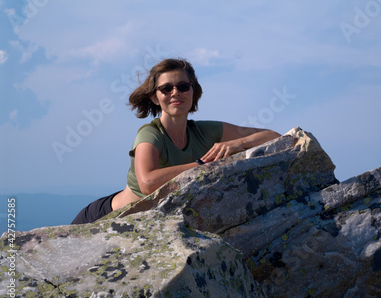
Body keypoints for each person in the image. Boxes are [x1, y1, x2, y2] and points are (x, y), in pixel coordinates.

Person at [71, 58, 281, 224]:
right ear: (155, 97)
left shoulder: (206, 131)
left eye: (183, 86)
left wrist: (239, 144)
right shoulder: (150, 134)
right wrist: (201, 165)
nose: (175, 93)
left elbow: (274, 137)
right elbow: (147, 183)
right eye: (166, 88)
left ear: (193, 91)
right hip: (104, 219)